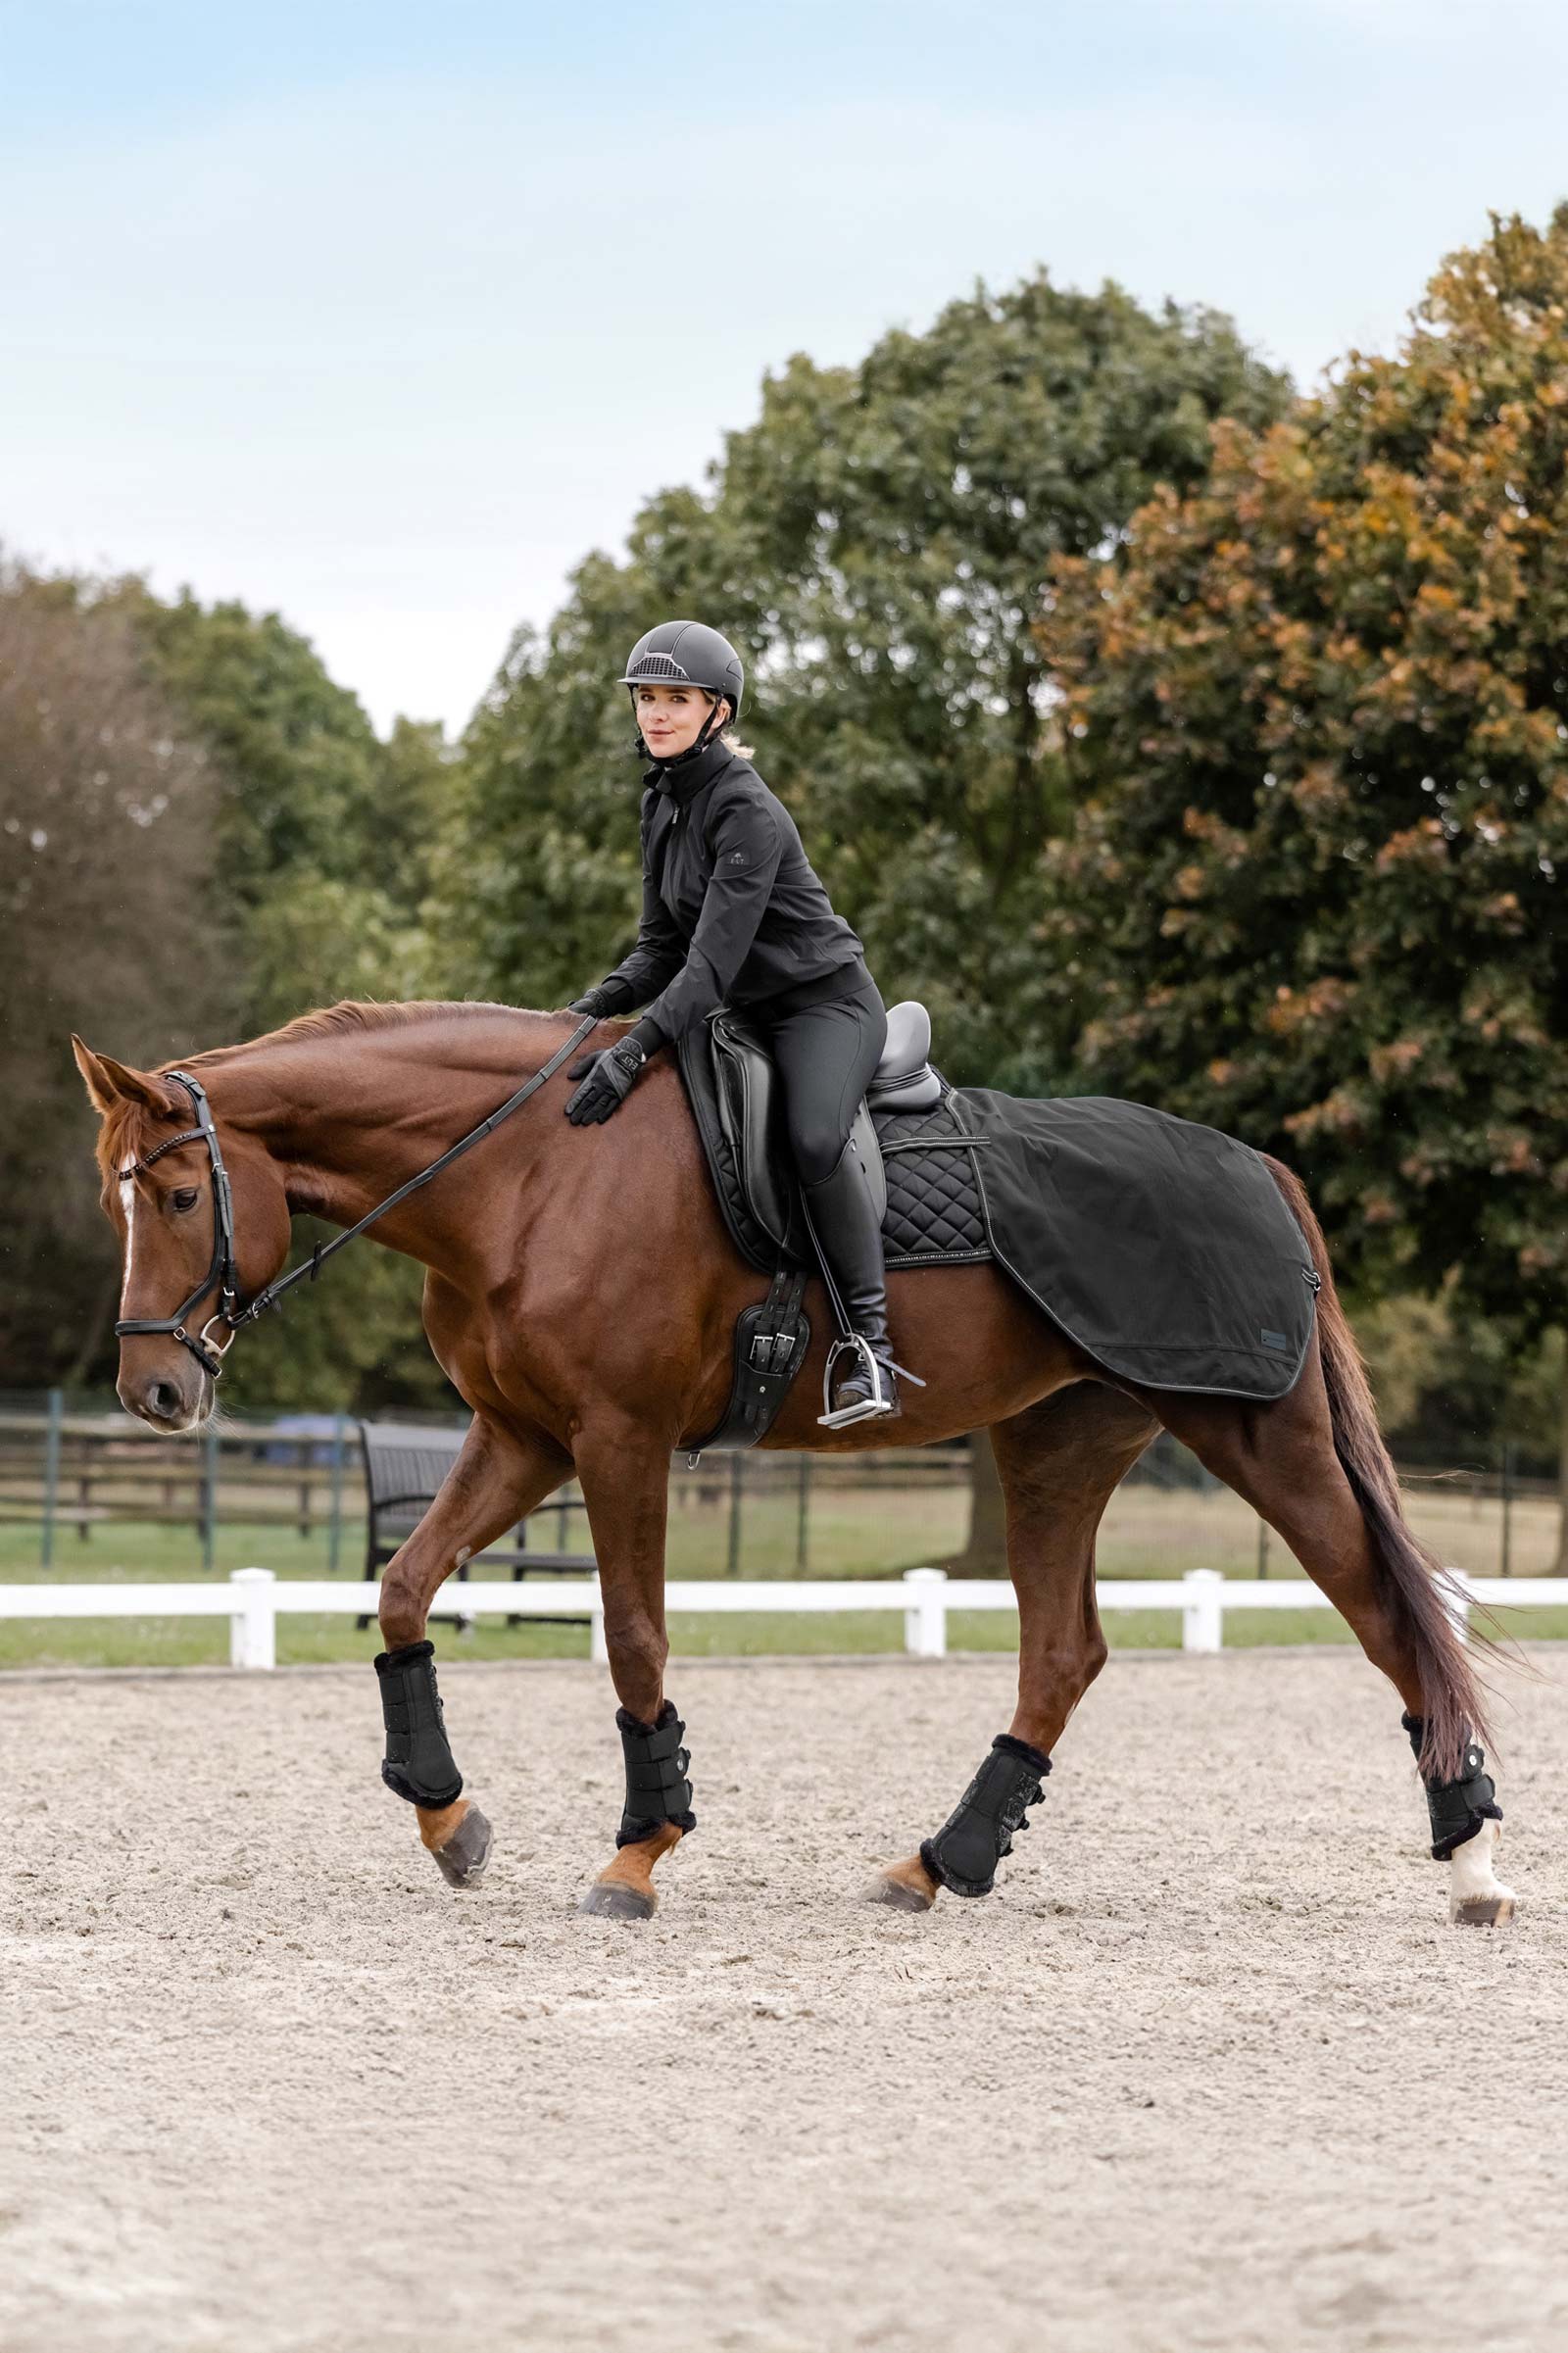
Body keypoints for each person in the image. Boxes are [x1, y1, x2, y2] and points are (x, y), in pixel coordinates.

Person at [564, 618, 908, 1424]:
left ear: (717, 711)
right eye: (647, 698)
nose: (655, 714)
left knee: (813, 1137)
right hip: (743, 1016)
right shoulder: (661, 801)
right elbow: (657, 950)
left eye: (675, 699)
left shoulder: (744, 809)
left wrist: (637, 1047)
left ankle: (871, 1347)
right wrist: (577, 1020)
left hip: (824, 1006)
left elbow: (708, 966)